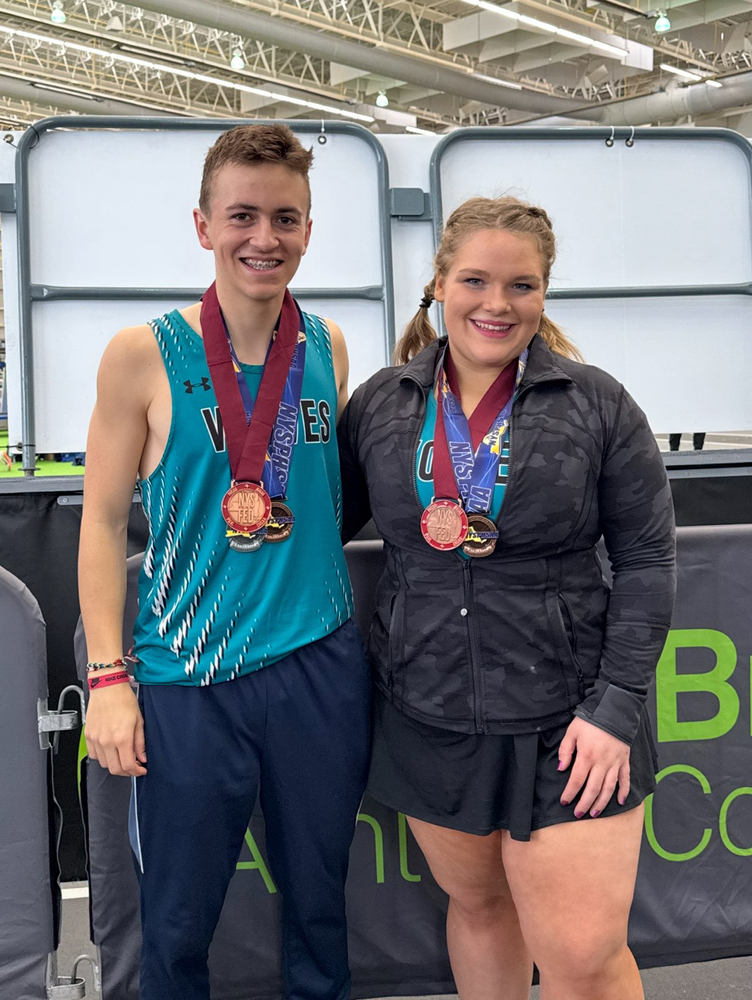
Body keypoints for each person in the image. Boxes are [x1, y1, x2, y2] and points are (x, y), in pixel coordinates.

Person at [339, 196, 675, 1000]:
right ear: (440, 284)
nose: (497, 304)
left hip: (573, 723)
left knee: (583, 957)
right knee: (481, 907)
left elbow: (647, 559)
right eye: (476, 280)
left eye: (521, 285)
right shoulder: (384, 404)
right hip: (430, 710)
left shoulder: (597, 404)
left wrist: (616, 708)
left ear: (544, 293)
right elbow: (312, 527)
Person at [79, 124, 370, 1000]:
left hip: (319, 661)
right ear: (203, 225)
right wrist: (107, 679)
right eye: (242, 215)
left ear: (309, 231)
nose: (264, 238)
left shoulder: (329, 347)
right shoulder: (143, 353)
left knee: (320, 907)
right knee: (176, 920)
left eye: (286, 219)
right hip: (189, 675)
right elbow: (99, 524)